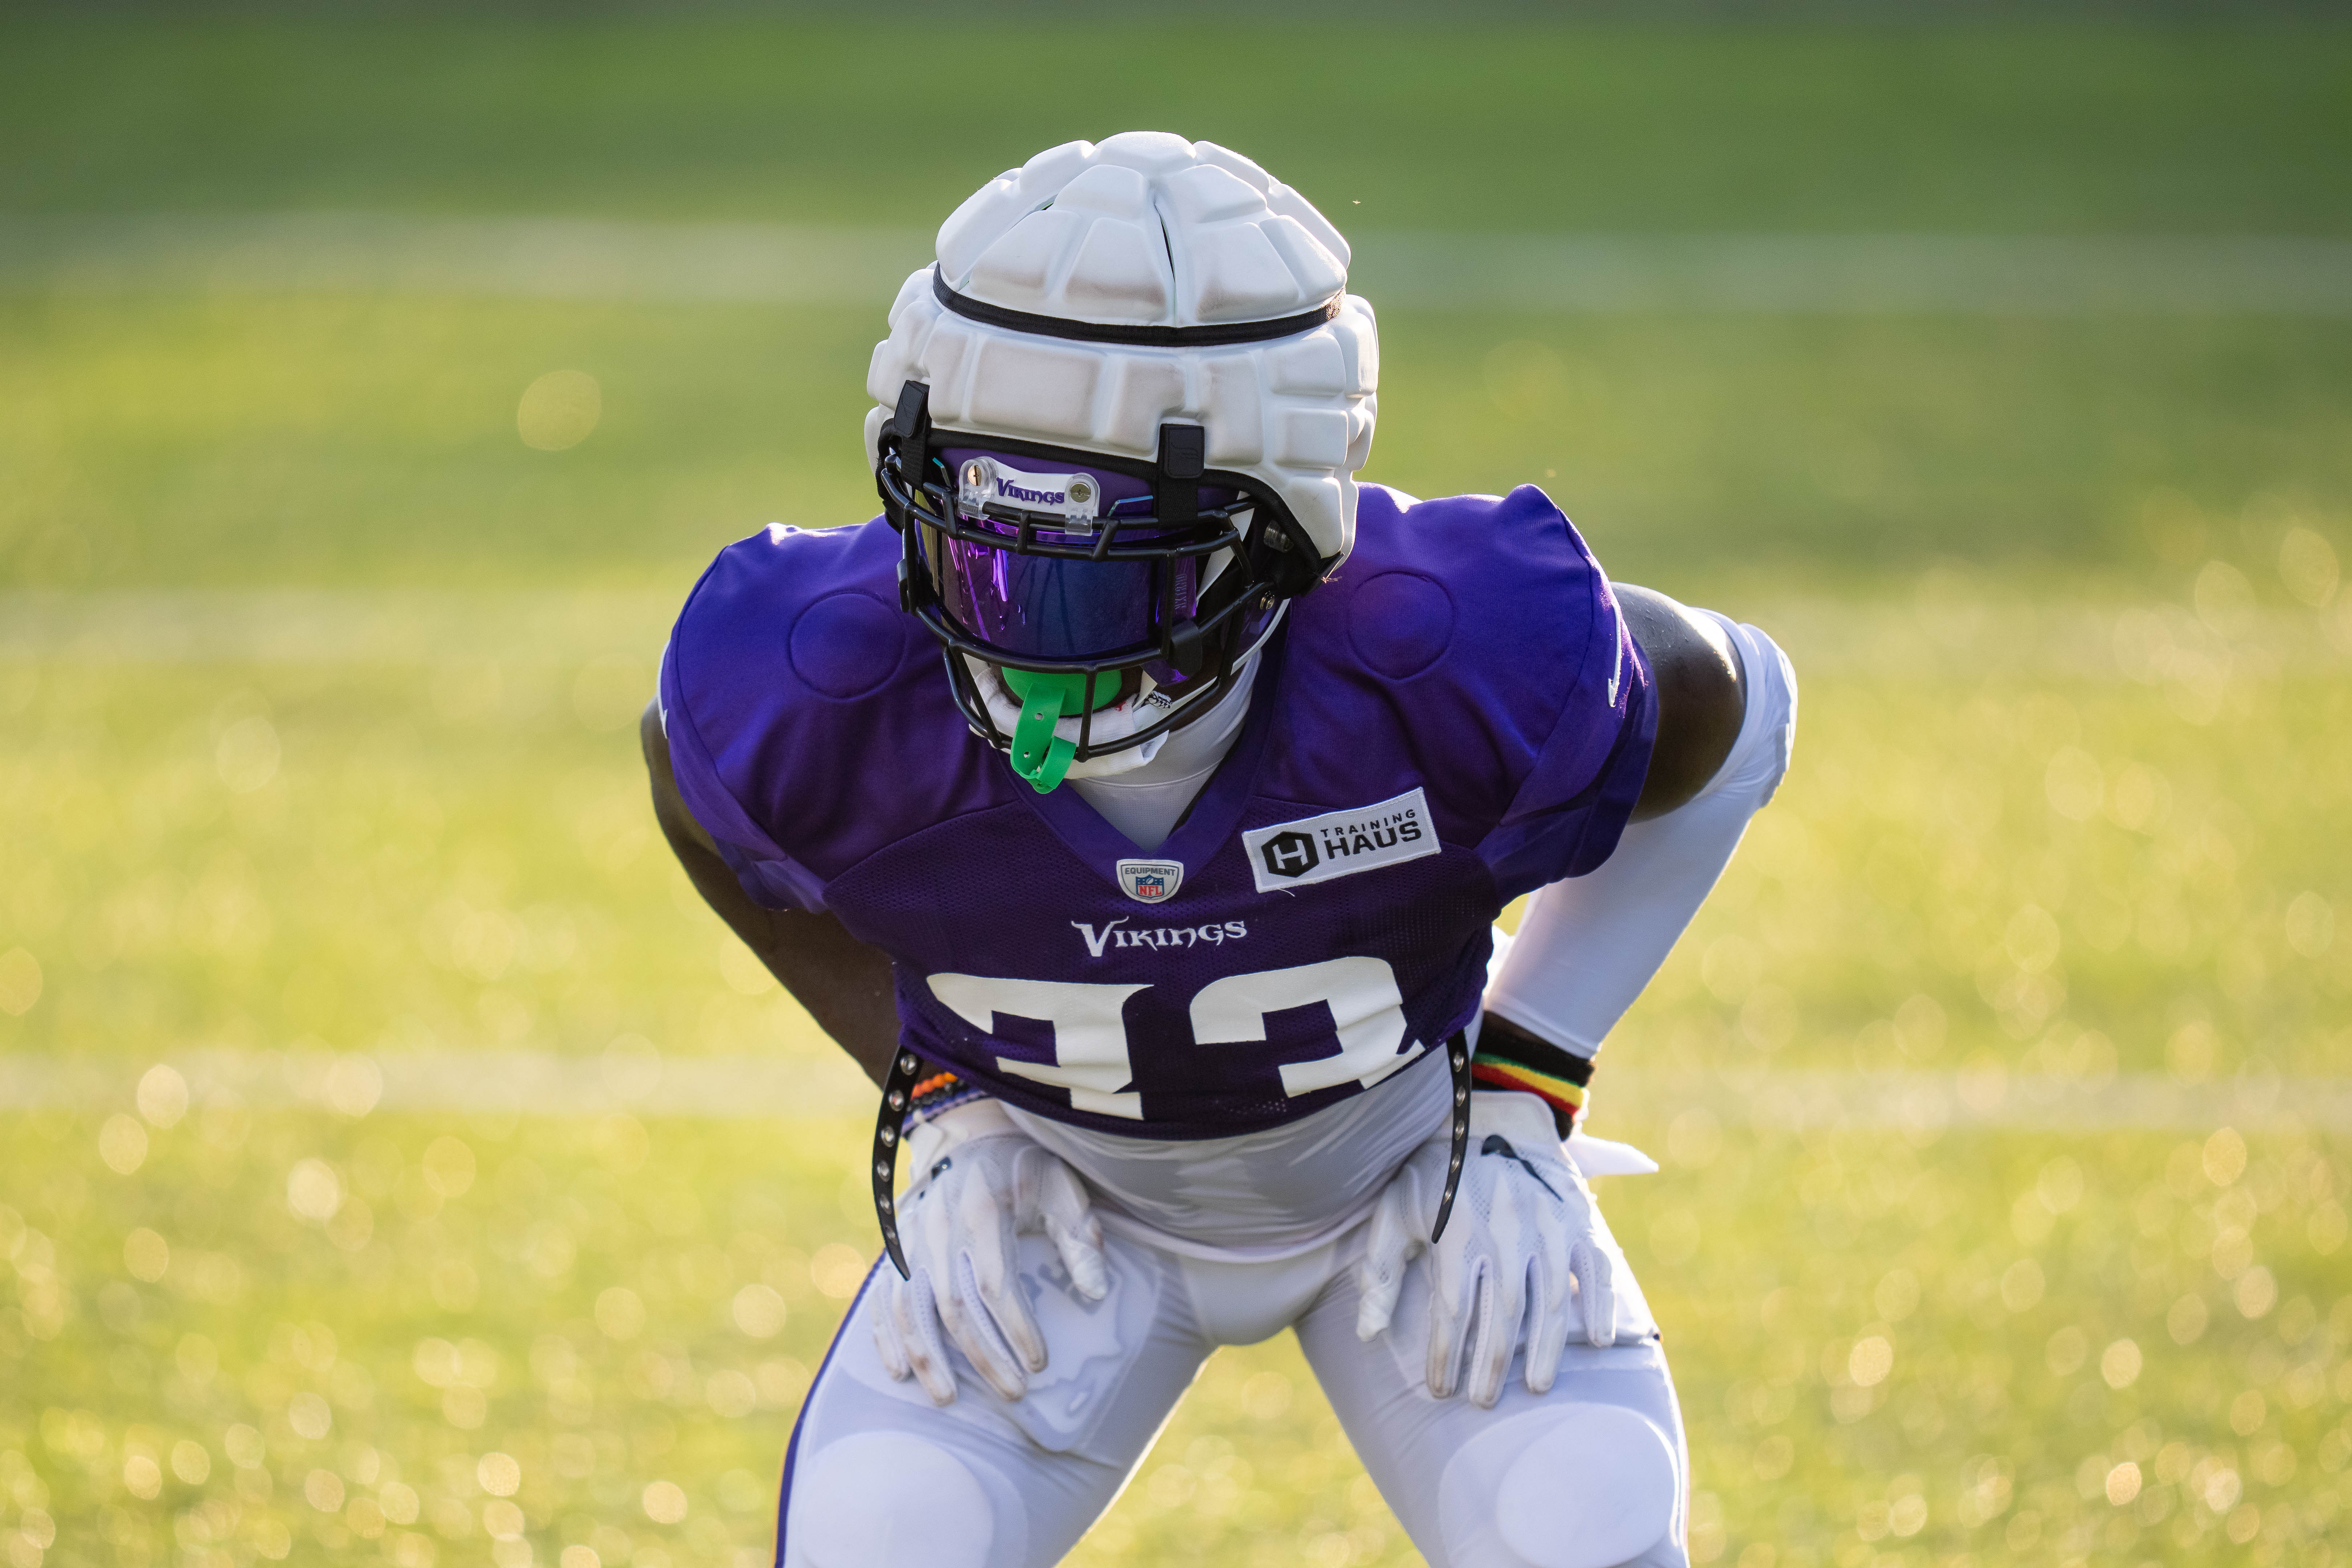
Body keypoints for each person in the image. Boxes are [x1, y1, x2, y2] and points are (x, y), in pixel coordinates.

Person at [642, 132, 1796, 1568]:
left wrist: (1529, 1069)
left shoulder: (1439, 653)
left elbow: (1734, 707)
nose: (1029, 639)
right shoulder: (820, 681)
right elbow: (688, 782)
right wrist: (939, 1094)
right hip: (1060, 1203)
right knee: (885, 1534)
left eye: (1106, 575)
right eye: (986, 551)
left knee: (1585, 1521)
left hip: (1410, 1180)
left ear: (1287, 528)